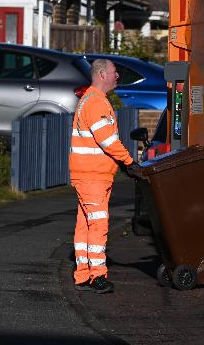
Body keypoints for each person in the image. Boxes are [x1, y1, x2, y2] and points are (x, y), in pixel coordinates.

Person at [70, 58, 142, 294]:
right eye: (114, 72)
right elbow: (107, 140)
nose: (117, 76)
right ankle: (97, 276)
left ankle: (83, 274)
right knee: (98, 223)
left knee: (86, 225)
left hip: (89, 173)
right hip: (93, 176)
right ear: (102, 74)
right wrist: (129, 162)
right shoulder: (96, 103)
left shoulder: (92, 100)